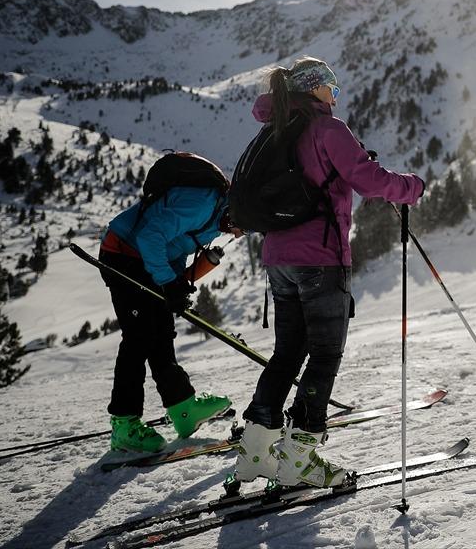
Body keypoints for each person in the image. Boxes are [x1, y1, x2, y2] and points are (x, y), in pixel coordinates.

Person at [234, 57, 424, 489]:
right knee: (324, 355)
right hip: (320, 258)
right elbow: (368, 179)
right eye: (332, 88)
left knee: (287, 354)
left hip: (278, 258)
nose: (335, 96)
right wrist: (413, 187)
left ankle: (255, 452)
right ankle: (299, 457)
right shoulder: (326, 129)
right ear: (316, 89)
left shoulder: (275, 129)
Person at [98, 165, 242, 452]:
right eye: (245, 227)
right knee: (139, 337)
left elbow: (174, 246)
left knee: (161, 333)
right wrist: (167, 280)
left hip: (144, 260)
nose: (239, 235)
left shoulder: (217, 219)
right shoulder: (203, 204)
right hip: (124, 254)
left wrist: (175, 282)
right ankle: (124, 424)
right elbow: (150, 236)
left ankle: (183, 409)